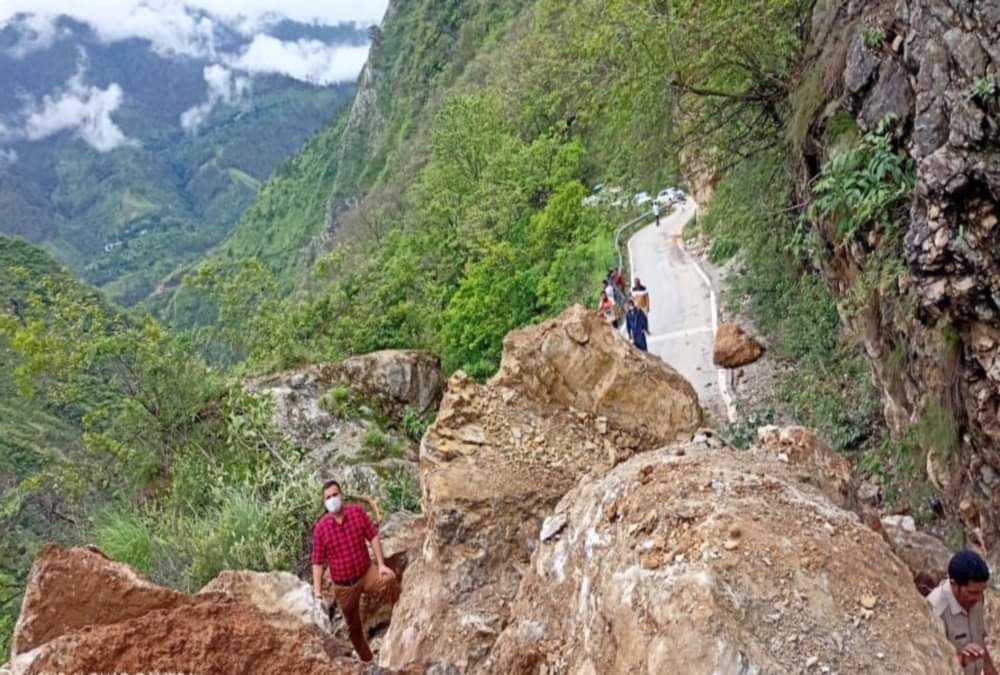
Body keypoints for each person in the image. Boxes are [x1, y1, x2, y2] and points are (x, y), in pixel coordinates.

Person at [312, 479, 400, 663]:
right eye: (328, 497)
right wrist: (318, 593)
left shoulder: (356, 513)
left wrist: (382, 565)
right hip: (344, 587)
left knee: (389, 580)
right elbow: (317, 562)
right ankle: (367, 660)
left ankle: (401, 619)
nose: (332, 499)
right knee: (353, 626)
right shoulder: (321, 529)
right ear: (324, 503)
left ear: (342, 495)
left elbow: (373, 536)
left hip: (366, 572)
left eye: (335, 495)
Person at [927, 550, 998, 675]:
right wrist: (962, 660)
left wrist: (990, 669)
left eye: (981, 591)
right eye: (972, 592)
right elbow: (931, 664)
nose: (978, 598)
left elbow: (979, 640)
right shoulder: (935, 608)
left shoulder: (977, 599)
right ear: (954, 584)